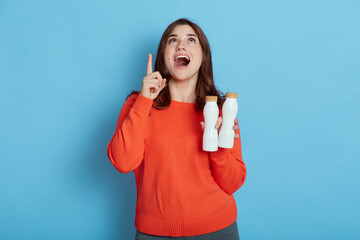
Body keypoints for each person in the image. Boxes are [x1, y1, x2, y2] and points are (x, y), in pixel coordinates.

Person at [107, 18, 246, 240]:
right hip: (154, 233)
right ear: (164, 55)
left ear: (203, 56)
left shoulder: (220, 110)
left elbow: (233, 183)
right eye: (173, 40)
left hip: (218, 229)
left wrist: (219, 150)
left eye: (191, 40)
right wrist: (144, 101)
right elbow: (123, 162)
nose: (181, 45)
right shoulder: (139, 104)